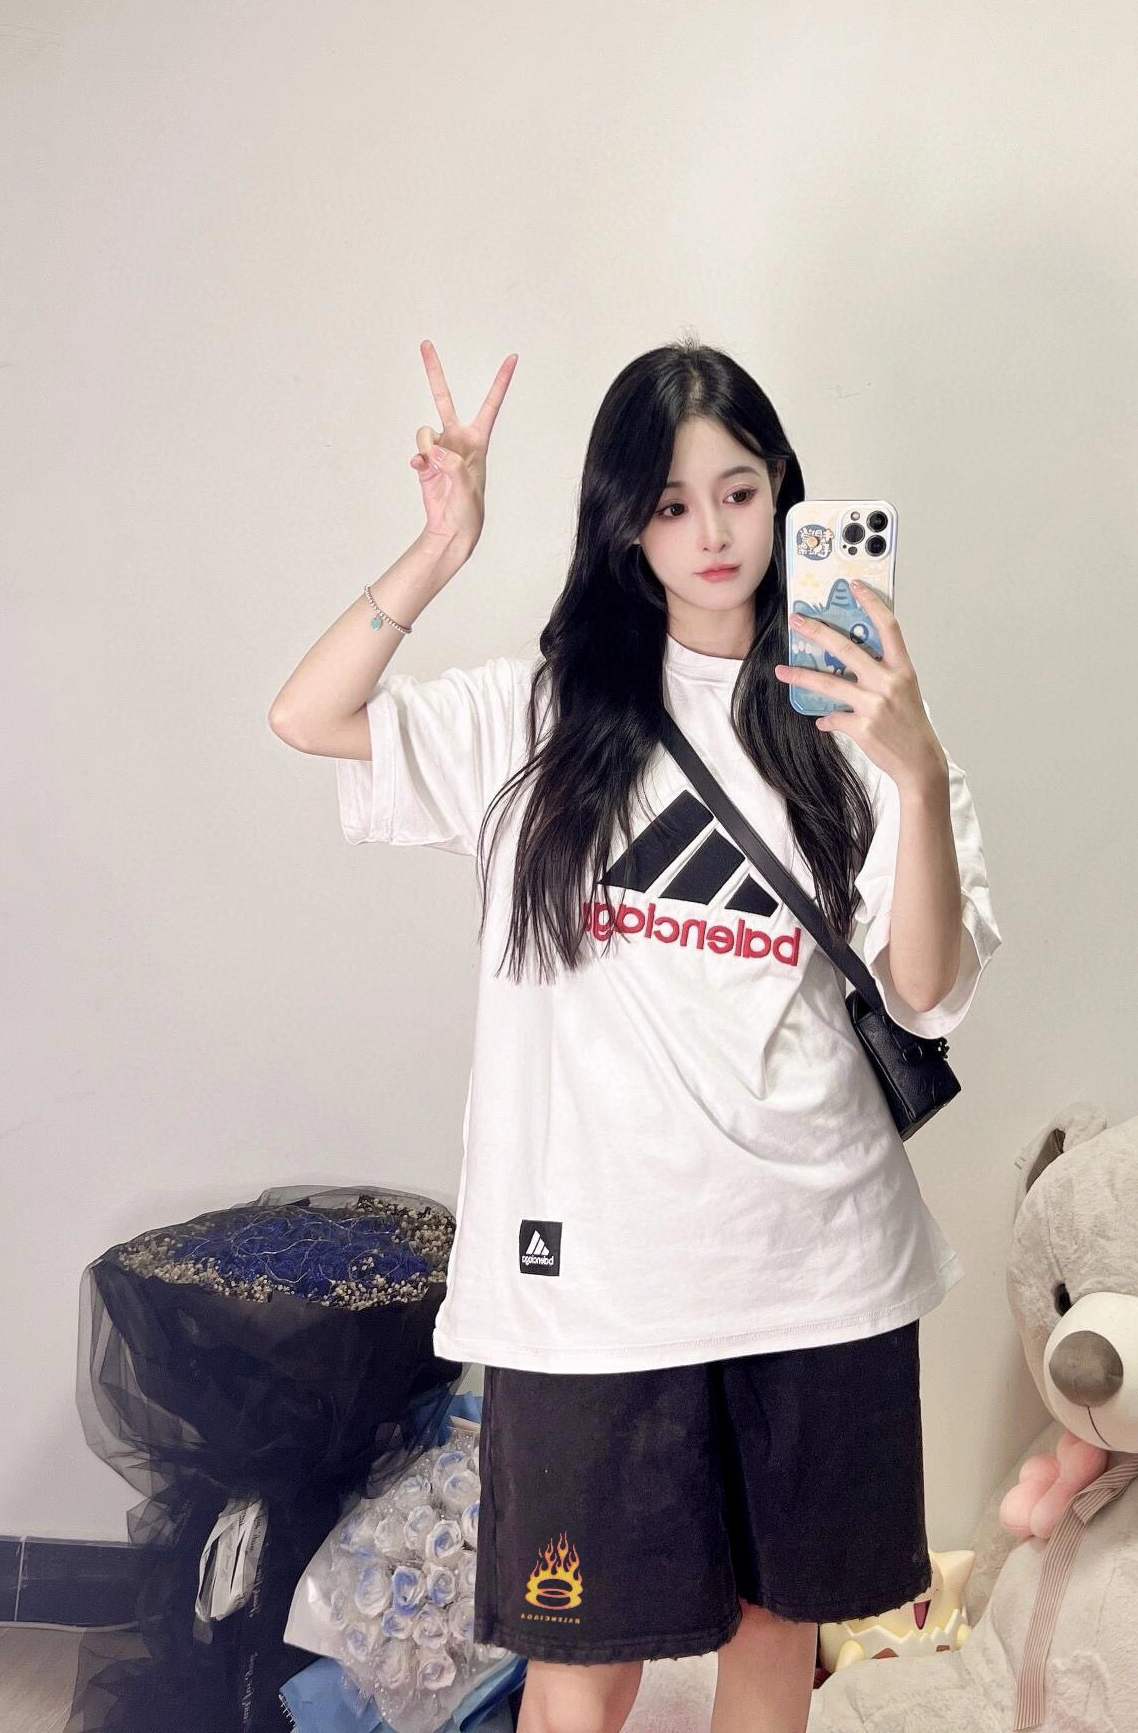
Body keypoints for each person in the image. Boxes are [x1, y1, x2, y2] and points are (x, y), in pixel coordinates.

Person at [267, 337, 1002, 1733]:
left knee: (774, 1639)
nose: (713, 533)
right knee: (582, 1666)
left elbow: (924, 990)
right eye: (670, 504)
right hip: (592, 1284)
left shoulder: (863, 729)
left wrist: (914, 771)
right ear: (625, 524)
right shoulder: (535, 717)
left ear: (784, 492)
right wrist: (442, 546)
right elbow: (309, 715)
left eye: (739, 491)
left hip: (819, 1266)